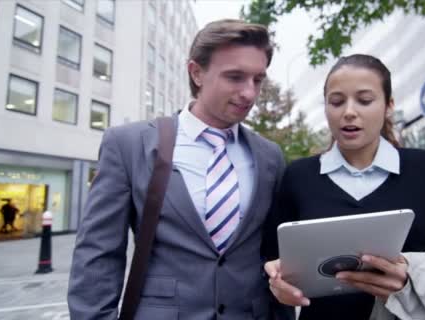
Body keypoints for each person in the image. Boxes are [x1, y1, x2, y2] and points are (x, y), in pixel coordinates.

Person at [68, 19, 291, 319]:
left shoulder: (270, 157)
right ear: (196, 72)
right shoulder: (128, 145)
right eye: (235, 77)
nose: (249, 93)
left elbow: (273, 253)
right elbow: (97, 254)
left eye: (258, 80)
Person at [263, 54, 425, 319]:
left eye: (365, 100)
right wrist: (277, 284)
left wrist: (409, 280)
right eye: (336, 101)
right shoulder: (298, 176)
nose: (349, 112)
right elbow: (270, 259)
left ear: (388, 106)